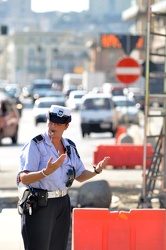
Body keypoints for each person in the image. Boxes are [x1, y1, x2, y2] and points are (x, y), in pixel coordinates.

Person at [17, 104, 110, 250]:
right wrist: (45, 172)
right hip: (41, 203)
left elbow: (79, 175)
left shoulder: (70, 147)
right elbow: (24, 178)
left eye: (58, 123)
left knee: (59, 246)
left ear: (66, 126)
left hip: (63, 202)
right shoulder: (36, 145)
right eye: (51, 121)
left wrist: (96, 171)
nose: (53, 125)